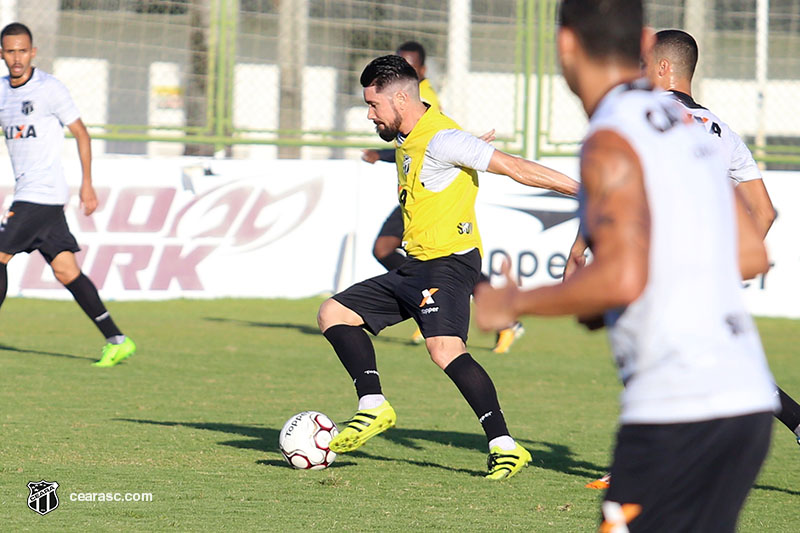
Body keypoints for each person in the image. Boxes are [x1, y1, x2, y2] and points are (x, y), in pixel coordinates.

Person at [475, 0, 777, 529]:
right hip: (745, 404)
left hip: (677, 409)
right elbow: (751, 253)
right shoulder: (689, 128)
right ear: (642, 42)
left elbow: (623, 275)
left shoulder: (610, 136)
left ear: (566, 44)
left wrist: (513, 302)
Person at [318, 54, 579, 479]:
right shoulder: (415, 135)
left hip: (447, 263)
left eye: (373, 105)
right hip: (415, 264)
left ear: (401, 98)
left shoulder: (441, 138)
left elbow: (515, 168)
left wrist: (583, 193)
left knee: (444, 350)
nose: (369, 115)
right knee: (333, 313)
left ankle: (504, 445)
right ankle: (372, 405)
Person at [580, 28, 800, 491]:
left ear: (662, 68)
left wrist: (581, 247)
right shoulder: (723, 131)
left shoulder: (647, 119)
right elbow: (765, 212)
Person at [362, 41, 525, 353]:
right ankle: (426, 302)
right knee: (393, 250)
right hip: (414, 190)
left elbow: (435, 139)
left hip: (430, 189)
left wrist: (381, 154)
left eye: (408, 63)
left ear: (421, 71)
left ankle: (496, 318)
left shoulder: (420, 97)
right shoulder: (393, 93)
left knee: (440, 259)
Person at [0, 22, 135, 367]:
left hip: (41, 194)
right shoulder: (2, 92)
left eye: (22, 51)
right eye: (10, 51)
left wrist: (87, 183)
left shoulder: (50, 89)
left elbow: (81, 133)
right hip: (34, 195)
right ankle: (117, 339)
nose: (17, 58)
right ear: (2, 53)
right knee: (66, 270)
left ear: (33, 52)